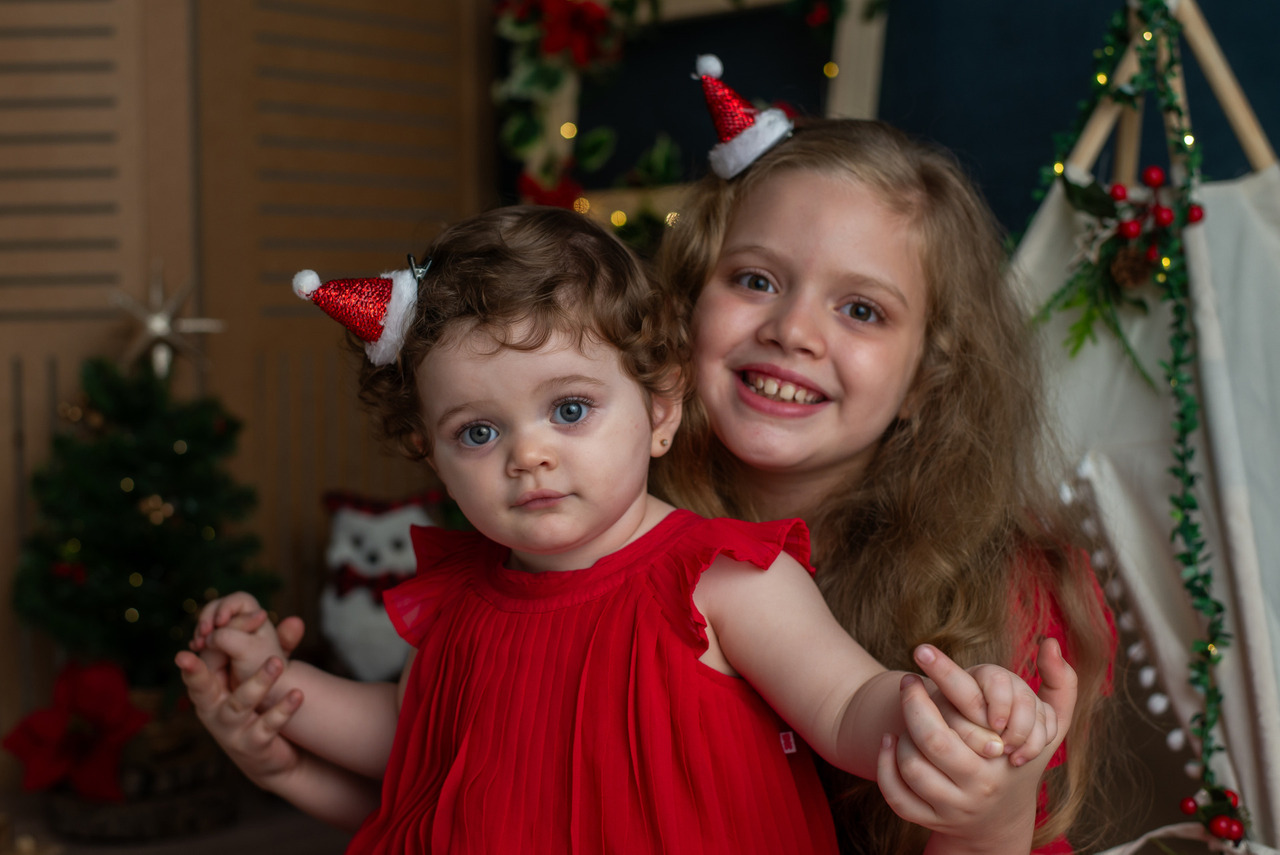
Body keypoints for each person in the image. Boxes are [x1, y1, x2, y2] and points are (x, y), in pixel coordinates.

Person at [177, 205, 1073, 854]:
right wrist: (276, 684)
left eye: (569, 408)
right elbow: (412, 736)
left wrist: (940, 717)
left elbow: (844, 706)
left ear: (659, 411)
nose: (528, 455)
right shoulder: (460, 597)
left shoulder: (724, 578)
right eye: (478, 432)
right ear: (431, 455)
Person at [651, 59, 1117, 855]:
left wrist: (989, 817)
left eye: (861, 308)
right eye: (755, 279)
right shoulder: (606, 524)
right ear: (690, 301)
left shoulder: (1007, 597)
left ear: (925, 380)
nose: (793, 330)